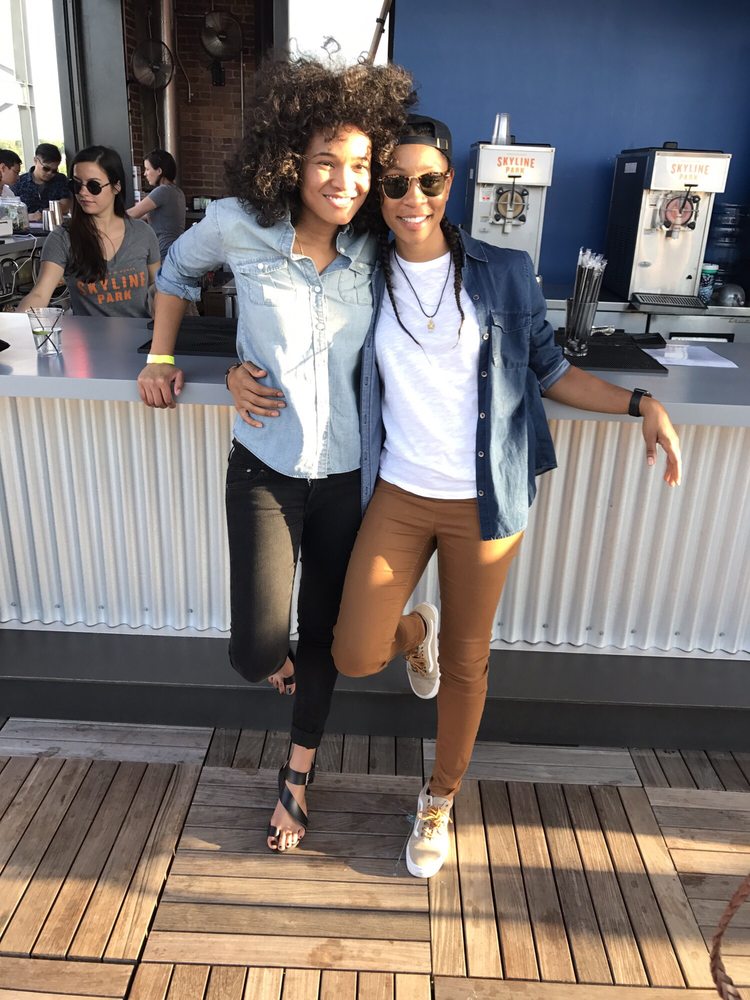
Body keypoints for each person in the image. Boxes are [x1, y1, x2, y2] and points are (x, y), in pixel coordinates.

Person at [329, 115, 682, 879]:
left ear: (450, 183)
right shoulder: (357, 270)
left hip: (485, 499)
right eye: (395, 183)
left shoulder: (504, 271)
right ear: (378, 192)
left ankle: (439, 798)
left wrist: (639, 403)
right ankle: (413, 630)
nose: (412, 197)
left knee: (467, 663)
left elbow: (551, 371)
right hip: (398, 491)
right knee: (354, 650)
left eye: (429, 181)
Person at [136, 59, 414, 853]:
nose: (345, 182)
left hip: (348, 476)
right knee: (257, 648)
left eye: (361, 165)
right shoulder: (238, 223)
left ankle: (296, 774)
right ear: (291, 159)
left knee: (322, 635)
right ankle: (293, 675)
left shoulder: (378, 242)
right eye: (327, 161)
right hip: (265, 466)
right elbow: (176, 272)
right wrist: (169, 359)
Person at [18, 145, 160, 317]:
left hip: (141, 333)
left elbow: (156, 286)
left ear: (116, 186)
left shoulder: (143, 233)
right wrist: (16, 325)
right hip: (89, 334)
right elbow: (40, 294)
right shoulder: (63, 238)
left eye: (93, 186)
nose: (83, 193)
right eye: (77, 185)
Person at [127, 149, 186, 259]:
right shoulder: (177, 191)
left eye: (147, 169)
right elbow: (150, 216)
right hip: (174, 252)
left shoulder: (163, 191)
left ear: (159, 171)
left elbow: (133, 213)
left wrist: (105, 218)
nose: (145, 174)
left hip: (164, 253)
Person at [12, 142, 72, 220]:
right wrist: (30, 217)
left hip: (55, 225)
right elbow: (12, 213)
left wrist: (42, 213)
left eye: (54, 171)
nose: (50, 173)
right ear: (35, 161)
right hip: (28, 226)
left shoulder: (60, 179)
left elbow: (66, 205)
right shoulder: (19, 182)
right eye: (46, 168)